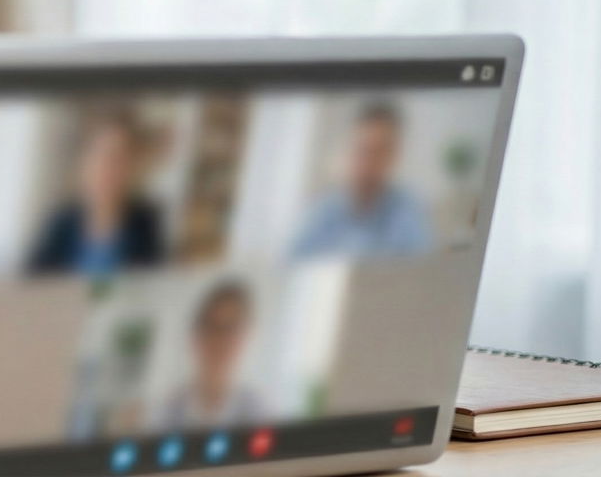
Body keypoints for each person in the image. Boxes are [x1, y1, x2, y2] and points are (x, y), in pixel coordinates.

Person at [26, 110, 165, 276]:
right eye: (99, 156)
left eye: (119, 159)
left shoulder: (146, 226)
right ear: (84, 164)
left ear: (132, 168)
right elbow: (31, 288)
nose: (107, 169)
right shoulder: (59, 224)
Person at [291, 102, 432, 260]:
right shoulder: (322, 210)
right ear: (349, 148)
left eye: (379, 152)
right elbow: (291, 264)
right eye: (363, 150)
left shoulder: (408, 210)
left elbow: (422, 269)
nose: (368, 162)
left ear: (394, 156)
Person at [154, 280, 265, 430]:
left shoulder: (258, 413)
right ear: (197, 335)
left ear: (244, 336)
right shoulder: (166, 409)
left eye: (230, 329)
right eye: (213, 327)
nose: (220, 340)